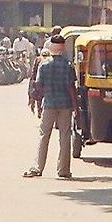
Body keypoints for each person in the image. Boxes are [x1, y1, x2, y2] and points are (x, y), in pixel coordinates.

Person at [23, 35, 78, 180]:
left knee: (43, 135)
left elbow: (39, 86)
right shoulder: (68, 65)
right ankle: (64, 170)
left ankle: (38, 167)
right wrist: (75, 106)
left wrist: (37, 101)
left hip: (49, 104)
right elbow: (72, 87)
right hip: (65, 105)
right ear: (63, 47)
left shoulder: (44, 65)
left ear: (51, 47)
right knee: (65, 136)